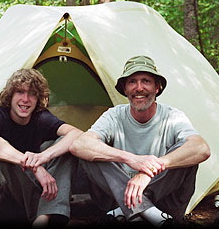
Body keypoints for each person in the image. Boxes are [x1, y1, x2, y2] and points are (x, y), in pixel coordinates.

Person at [69, 55, 211, 227]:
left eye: (146, 81)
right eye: (132, 82)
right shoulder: (114, 115)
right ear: (125, 89)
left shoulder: (172, 116)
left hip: (165, 205)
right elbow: (79, 145)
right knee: (92, 150)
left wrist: (149, 170)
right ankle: (149, 212)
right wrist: (130, 158)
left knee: (186, 150)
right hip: (125, 204)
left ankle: (130, 209)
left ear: (157, 87)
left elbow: (201, 148)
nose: (139, 88)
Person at [0, 68, 83, 226]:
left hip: (24, 202)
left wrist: (44, 156)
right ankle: (49, 211)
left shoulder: (40, 118)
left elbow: (77, 134)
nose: (25, 99)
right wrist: (34, 167)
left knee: (67, 146)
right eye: (20, 92)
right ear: (10, 95)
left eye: (32, 94)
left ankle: (43, 218)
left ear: (38, 98)